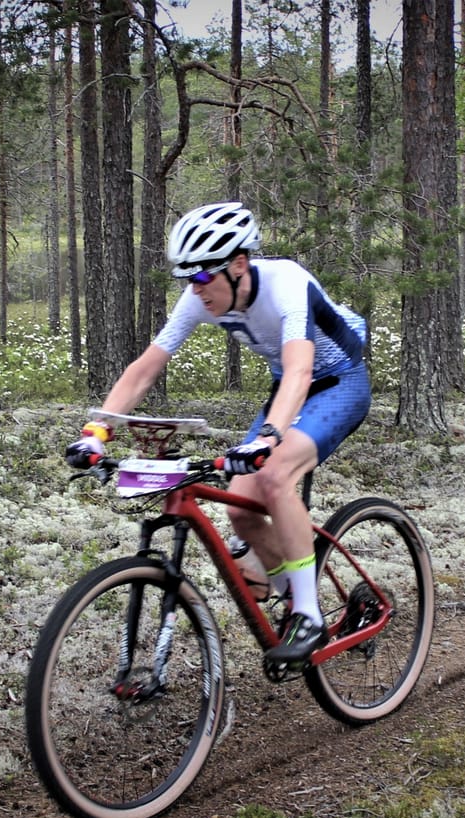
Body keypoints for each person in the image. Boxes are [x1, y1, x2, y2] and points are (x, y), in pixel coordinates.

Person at [65, 202, 371, 665]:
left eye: (204, 277)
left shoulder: (287, 283)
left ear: (239, 265)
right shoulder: (200, 296)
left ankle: (309, 614)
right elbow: (145, 370)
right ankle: (293, 595)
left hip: (338, 383)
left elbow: (299, 370)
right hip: (289, 389)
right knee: (242, 510)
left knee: (274, 477)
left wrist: (268, 438)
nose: (196, 289)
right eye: (188, 279)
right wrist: (97, 430)